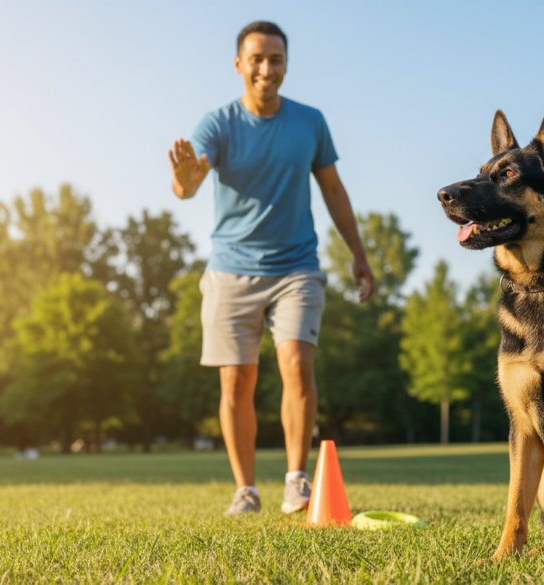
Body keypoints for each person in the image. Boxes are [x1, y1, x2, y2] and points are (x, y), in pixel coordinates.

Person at [167, 21, 374, 515]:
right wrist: (184, 180)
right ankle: (245, 489)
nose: (266, 68)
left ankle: (296, 480)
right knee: (236, 380)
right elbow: (189, 182)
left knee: (297, 363)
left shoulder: (309, 122)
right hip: (230, 268)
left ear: (286, 65)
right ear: (238, 64)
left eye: (275, 59)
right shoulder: (217, 124)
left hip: (296, 267)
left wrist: (359, 256)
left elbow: (334, 191)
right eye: (256, 59)